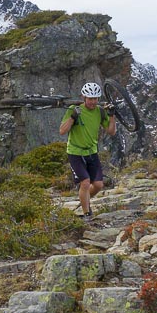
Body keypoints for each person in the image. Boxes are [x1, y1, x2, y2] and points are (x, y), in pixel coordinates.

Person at [59, 82, 116, 220]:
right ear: (84, 97)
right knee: (85, 183)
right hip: (75, 152)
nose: (92, 102)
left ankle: (84, 199)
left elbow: (111, 131)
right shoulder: (74, 108)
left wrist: (112, 116)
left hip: (91, 152)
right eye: (90, 99)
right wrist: (73, 117)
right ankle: (86, 214)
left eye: (95, 99)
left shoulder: (100, 111)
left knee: (98, 185)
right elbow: (62, 131)